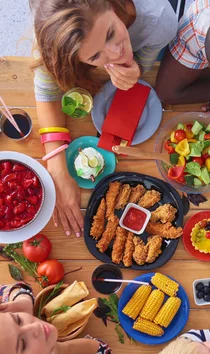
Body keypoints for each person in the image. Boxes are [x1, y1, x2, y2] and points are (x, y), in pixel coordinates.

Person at [30, 0, 178, 237]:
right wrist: (56, 166)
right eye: (95, 56)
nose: (115, 52)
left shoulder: (161, 20)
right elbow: (46, 88)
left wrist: (137, 67)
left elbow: (145, 59)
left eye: (110, 33)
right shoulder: (58, 24)